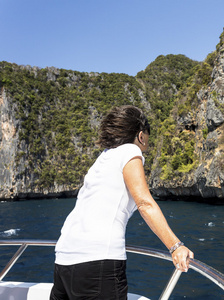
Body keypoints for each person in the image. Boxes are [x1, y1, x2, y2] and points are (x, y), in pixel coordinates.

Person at [50, 105, 193, 299]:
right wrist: (175, 246)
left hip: (64, 260)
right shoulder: (130, 151)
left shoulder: (103, 159)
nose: (146, 146)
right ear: (141, 136)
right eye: (147, 140)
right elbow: (144, 203)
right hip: (97, 260)